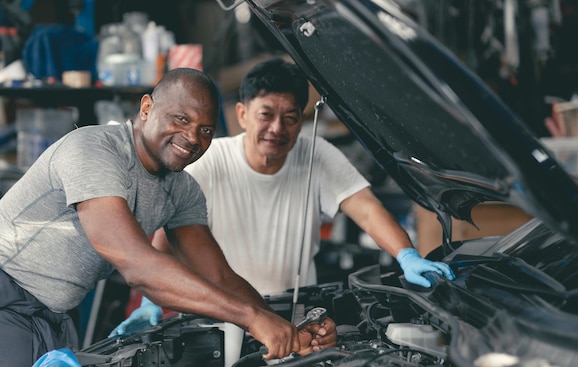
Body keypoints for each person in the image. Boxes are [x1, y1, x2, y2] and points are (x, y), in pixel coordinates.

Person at [0, 68, 325, 367]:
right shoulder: (94, 151)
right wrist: (251, 319)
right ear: (147, 108)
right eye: (181, 119)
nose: (193, 138)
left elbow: (220, 276)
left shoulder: (182, 190)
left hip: (52, 315)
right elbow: (137, 265)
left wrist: (284, 327)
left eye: (207, 130)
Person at [112, 58, 455, 334]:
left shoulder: (316, 155)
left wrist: (407, 255)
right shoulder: (208, 160)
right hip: (218, 320)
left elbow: (365, 209)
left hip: (295, 317)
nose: (277, 128)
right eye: (266, 115)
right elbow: (168, 239)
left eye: (290, 118)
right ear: (243, 114)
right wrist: (151, 302)